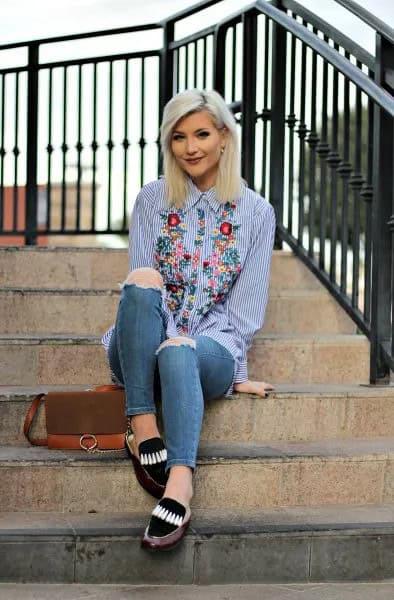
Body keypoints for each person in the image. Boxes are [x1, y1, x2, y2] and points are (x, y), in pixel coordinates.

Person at [101, 89, 276, 551]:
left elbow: (244, 310)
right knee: (141, 278)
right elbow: (142, 296)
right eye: (178, 137)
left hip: (209, 345)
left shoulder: (256, 212)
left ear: (224, 137)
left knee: (180, 348)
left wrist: (237, 373)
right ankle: (143, 425)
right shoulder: (153, 199)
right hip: (143, 349)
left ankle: (179, 483)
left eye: (201, 134)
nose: (190, 147)